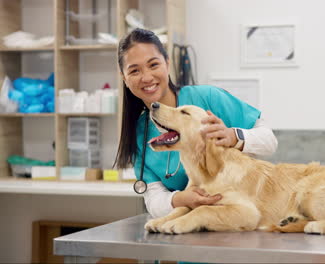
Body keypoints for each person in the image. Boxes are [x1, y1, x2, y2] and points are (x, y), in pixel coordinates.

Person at [114, 28, 278, 219]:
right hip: (190, 228)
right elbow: (153, 199)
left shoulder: (206, 98)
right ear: (124, 78)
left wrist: (234, 136)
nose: (147, 77)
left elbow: (270, 141)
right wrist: (180, 199)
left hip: (243, 217)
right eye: (135, 70)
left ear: (167, 63)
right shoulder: (140, 134)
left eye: (153, 65)